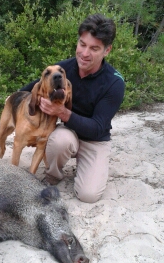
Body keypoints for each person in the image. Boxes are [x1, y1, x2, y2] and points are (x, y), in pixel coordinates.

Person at [21, 13, 125, 203]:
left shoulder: (114, 83)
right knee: (59, 139)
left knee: (88, 195)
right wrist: (13, 99)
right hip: (69, 133)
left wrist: (62, 112)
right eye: (82, 44)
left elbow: (97, 127)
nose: (85, 54)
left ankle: (90, 165)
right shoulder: (63, 69)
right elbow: (33, 86)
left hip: (95, 140)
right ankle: (54, 175)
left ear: (107, 50)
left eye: (94, 48)